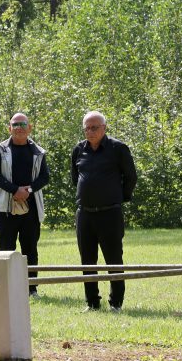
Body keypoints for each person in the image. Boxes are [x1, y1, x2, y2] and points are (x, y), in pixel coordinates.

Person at [71, 111, 137, 311]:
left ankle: (116, 303)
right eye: (87, 128)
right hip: (85, 213)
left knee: (114, 258)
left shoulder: (118, 149)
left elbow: (131, 177)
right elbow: (75, 178)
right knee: (87, 260)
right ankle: (92, 303)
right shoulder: (78, 150)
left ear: (104, 128)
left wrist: (119, 198)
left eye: (94, 127)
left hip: (110, 213)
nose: (90, 132)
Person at [0, 113, 50, 297]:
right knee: (6, 249)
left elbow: (44, 177)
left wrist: (28, 191)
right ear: (9, 128)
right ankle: (6, 288)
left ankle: (31, 288)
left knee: (30, 249)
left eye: (23, 124)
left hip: (31, 209)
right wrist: (15, 190)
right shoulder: (0, 149)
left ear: (29, 128)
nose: (19, 127)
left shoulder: (39, 152)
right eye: (15, 124)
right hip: (5, 208)